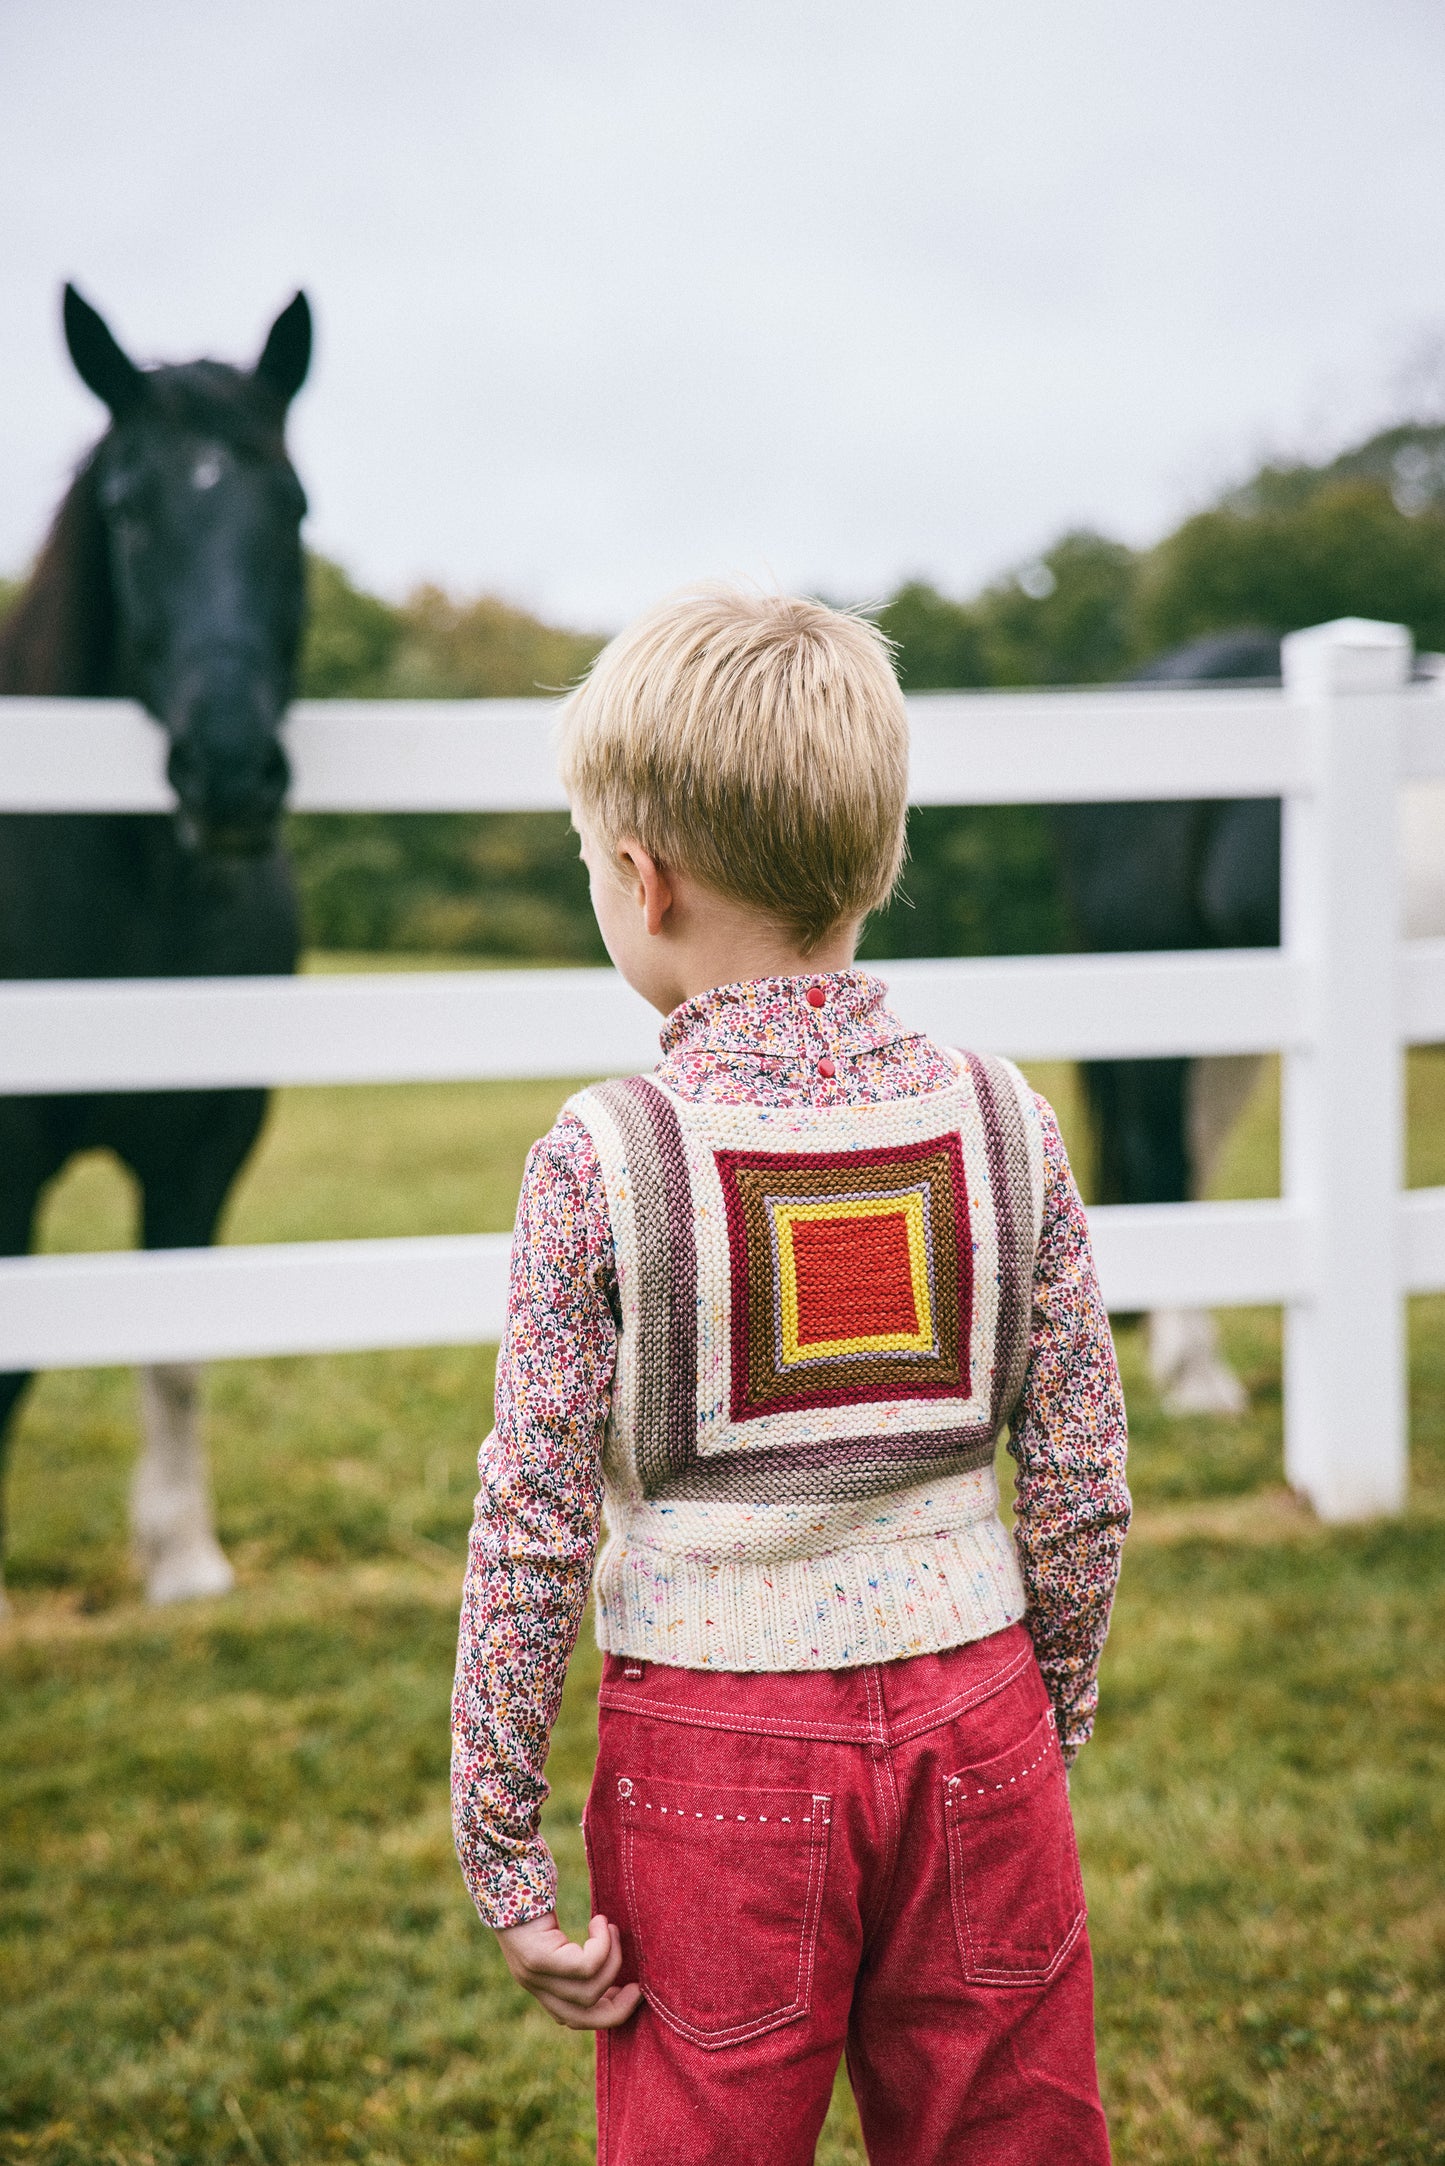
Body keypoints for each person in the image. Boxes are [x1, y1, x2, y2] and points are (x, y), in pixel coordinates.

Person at [451, 588, 1130, 2165]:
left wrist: (500, 1838)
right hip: (981, 1720)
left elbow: (533, 1523)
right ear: (876, 860)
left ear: (643, 879)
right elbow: (1082, 1477)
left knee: (708, 2129)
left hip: (714, 1758)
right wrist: (1053, 1701)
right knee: (1007, 2130)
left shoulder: (603, 1158)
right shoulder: (1004, 1123)